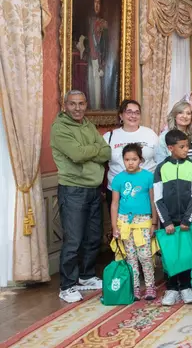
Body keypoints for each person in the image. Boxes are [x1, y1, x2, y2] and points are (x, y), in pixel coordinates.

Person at [51, 90, 111, 303]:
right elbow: (76, 155)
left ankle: (86, 276)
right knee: (74, 240)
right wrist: (94, 150)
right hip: (73, 189)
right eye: (73, 104)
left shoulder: (87, 125)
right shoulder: (60, 128)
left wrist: (90, 150)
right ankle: (67, 285)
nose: (77, 108)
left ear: (86, 104)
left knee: (93, 237)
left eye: (81, 103)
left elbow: (107, 152)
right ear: (64, 105)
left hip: (94, 189)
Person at [154, 129, 192, 306]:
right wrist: (166, 222)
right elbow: (158, 198)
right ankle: (172, 288)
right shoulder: (161, 168)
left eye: (187, 146)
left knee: (186, 254)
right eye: (182, 147)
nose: (186, 150)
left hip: (185, 221)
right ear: (170, 148)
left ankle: (186, 287)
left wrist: (187, 220)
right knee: (170, 255)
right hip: (168, 222)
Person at [109, 143, 157, 300]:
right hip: (124, 222)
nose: (130, 162)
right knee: (130, 256)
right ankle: (135, 287)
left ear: (141, 160)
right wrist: (114, 225)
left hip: (143, 221)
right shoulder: (118, 179)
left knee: (145, 255)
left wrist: (154, 223)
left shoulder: (148, 177)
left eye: (134, 159)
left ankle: (150, 286)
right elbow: (115, 203)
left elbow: (152, 201)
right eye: (127, 159)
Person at [104, 100, 158, 200]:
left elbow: (160, 160)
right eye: (129, 112)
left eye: (137, 113)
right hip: (118, 191)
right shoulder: (109, 137)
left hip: (146, 190)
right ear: (121, 115)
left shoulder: (150, 134)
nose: (133, 116)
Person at [156, 101, 192, 171]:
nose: (185, 116)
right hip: (173, 179)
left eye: (188, 113)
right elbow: (160, 163)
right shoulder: (164, 137)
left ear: (191, 117)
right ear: (174, 116)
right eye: (180, 112)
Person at [83, 0, 109, 110]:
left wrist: (102, 62)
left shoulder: (104, 24)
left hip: (98, 59)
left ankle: (97, 110)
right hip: (89, 58)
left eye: (99, 2)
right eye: (95, 2)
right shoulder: (87, 21)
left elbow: (105, 44)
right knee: (89, 86)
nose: (97, 5)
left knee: (97, 90)